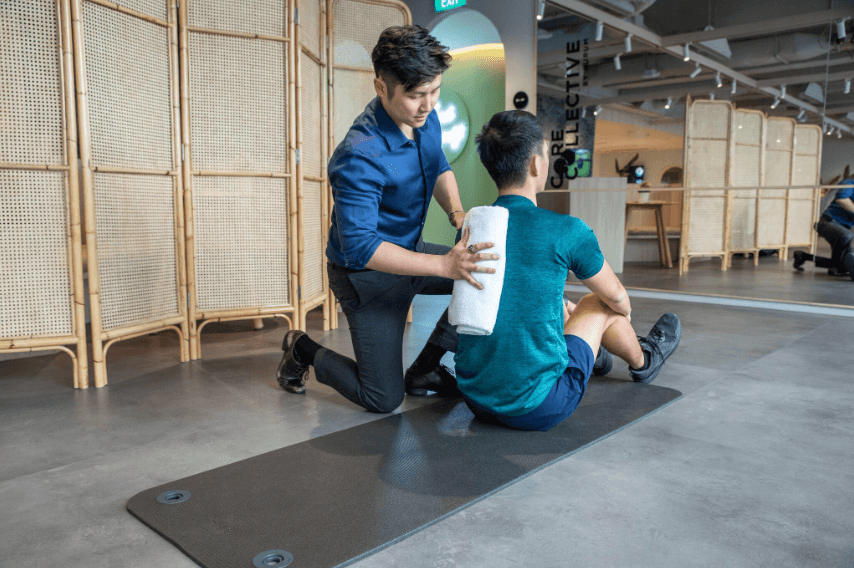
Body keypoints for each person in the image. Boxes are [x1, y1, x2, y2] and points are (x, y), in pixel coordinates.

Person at [275, 25, 498, 413]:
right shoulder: (359, 155)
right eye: (416, 95)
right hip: (367, 277)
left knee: (486, 277)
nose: (428, 104)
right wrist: (444, 265)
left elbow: (439, 165)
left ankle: (425, 369)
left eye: (435, 90)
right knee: (383, 399)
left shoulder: (425, 119)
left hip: (410, 254)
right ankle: (302, 348)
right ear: (382, 88)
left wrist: (456, 213)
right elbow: (360, 247)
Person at [454, 110, 681, 432]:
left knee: (550, 299)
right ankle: (645, 359)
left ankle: (594, 353)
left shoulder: (472, 226)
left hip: (475, 399)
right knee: (596, 302)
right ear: (536, 164)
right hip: (537, 406)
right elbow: (616, 295)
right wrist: (623, 314)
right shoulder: (565, 229)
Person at [793, 178, 854, 279]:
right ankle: (835, 268)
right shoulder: (849, 183)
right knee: (847, 236)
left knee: (844, 263)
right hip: (827, 223)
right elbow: (842, 199)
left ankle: (803, 256)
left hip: (842, 228)